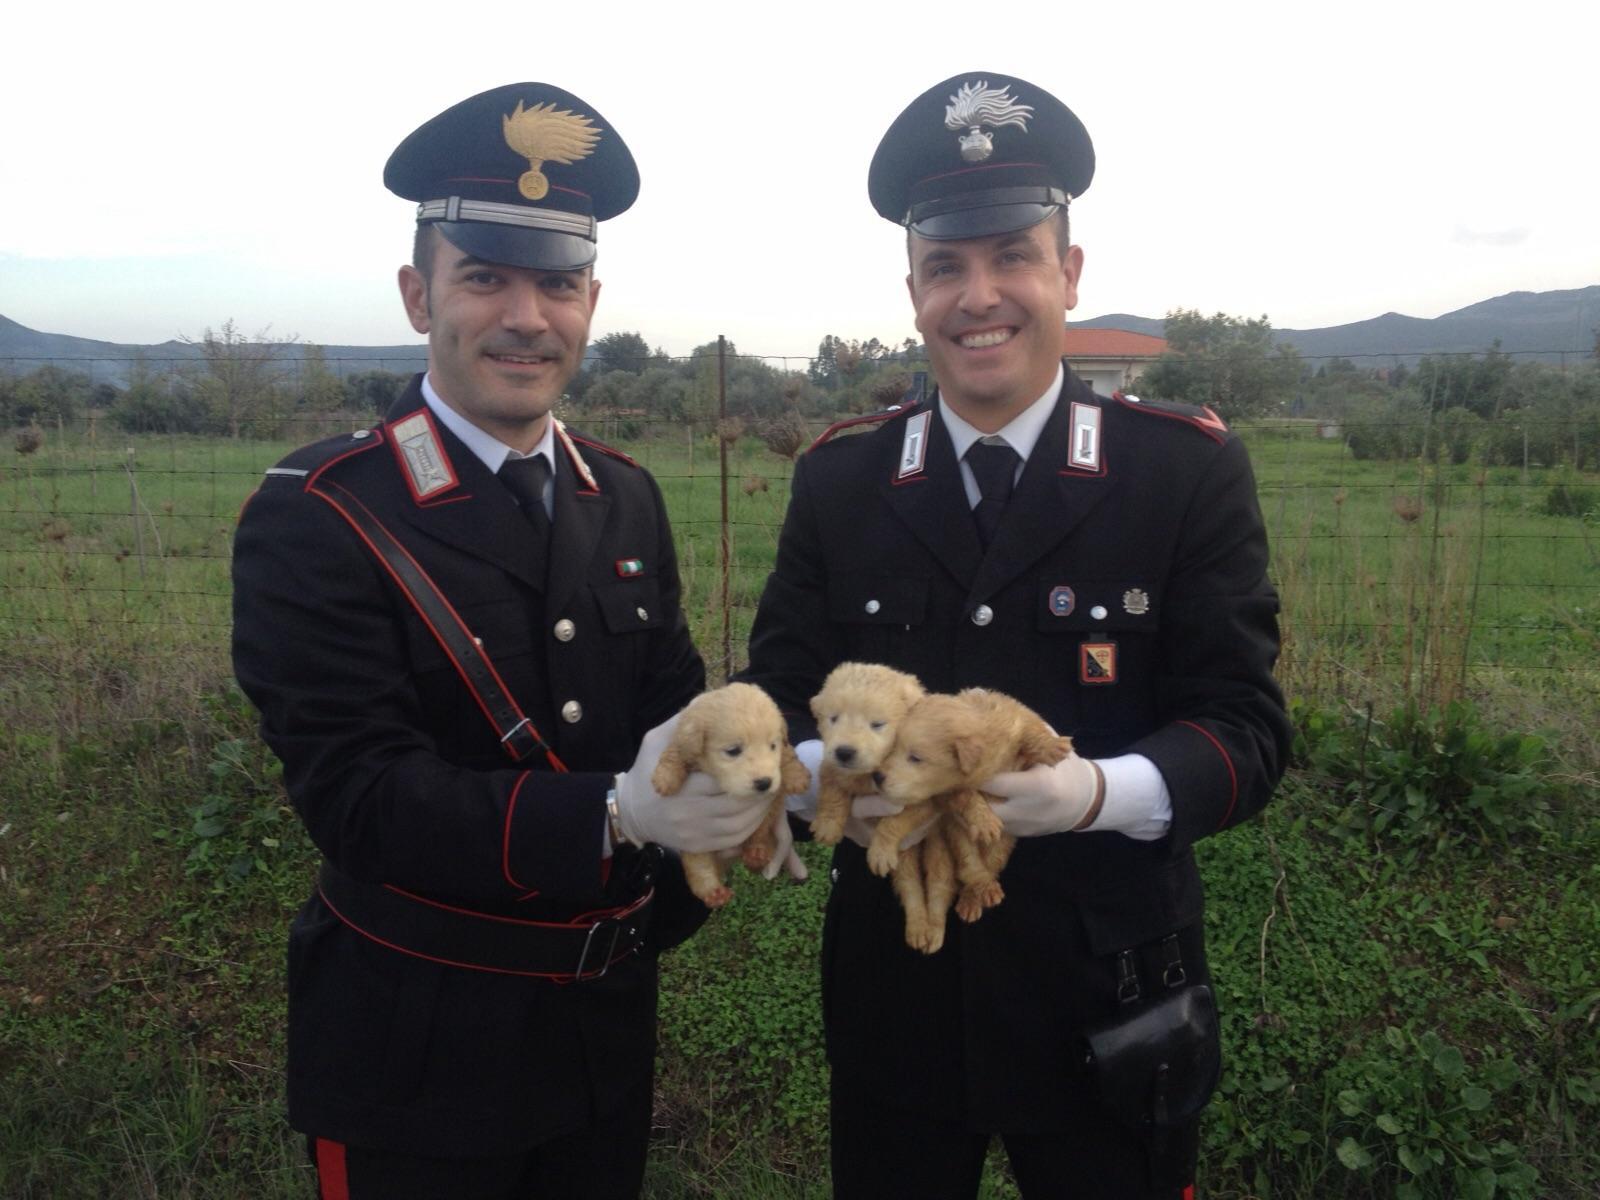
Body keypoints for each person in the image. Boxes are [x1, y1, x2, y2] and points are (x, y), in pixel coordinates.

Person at [743, 73, 1293, 1199]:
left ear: (1068, 274)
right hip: (899, 992)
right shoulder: (843, 481)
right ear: (912, 289)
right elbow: (780, 693)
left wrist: (1096, 793)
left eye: (1011, 256)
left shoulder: (1177, 473)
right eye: (946, 265)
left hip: (1115, 998)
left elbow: (1244, 730)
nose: (977, 295)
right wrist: (810, 776)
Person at [231, 83, 774, 1200]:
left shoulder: (619, 495)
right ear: (416, 292)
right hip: (411, 1051)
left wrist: (762, 779)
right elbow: (359, 795)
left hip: (599, 1039)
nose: (527, 316)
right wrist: (617, 813)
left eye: (558, 283)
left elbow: (669, 710)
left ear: (591, 301)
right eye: (485, 277)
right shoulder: (324, 510)